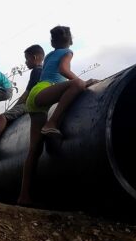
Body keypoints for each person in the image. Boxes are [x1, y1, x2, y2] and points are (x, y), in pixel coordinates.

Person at [17, 26, 97, 206]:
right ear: (71, 40)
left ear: (52, 42)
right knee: (76, 84)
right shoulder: (68, 52)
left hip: (36, 98)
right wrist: (83, 82)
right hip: (43, 91)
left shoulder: (51, 55)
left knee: (34, 150)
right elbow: (63, 70)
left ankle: (24, 196)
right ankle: (52, 123)